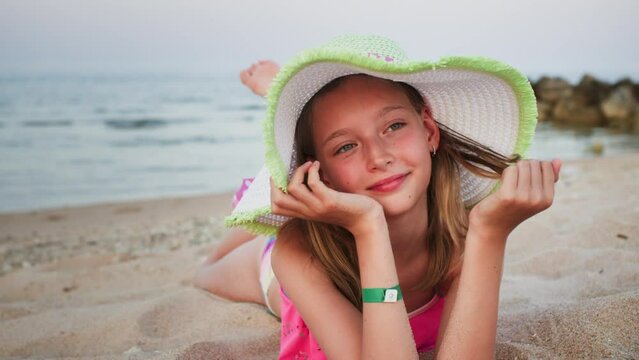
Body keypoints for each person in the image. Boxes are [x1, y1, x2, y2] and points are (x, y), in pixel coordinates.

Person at [195, 35, 562, 359]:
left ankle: (298, 109)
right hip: (282, 262)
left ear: (430, 131)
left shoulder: (458, 237)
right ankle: (280, 102)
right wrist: (368, 227)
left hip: (338, 203)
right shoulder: (298, 252)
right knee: (206, 272)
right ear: (319, 170)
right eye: (346, 147)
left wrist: (490, 234)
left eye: (395, 125)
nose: (379, 157)